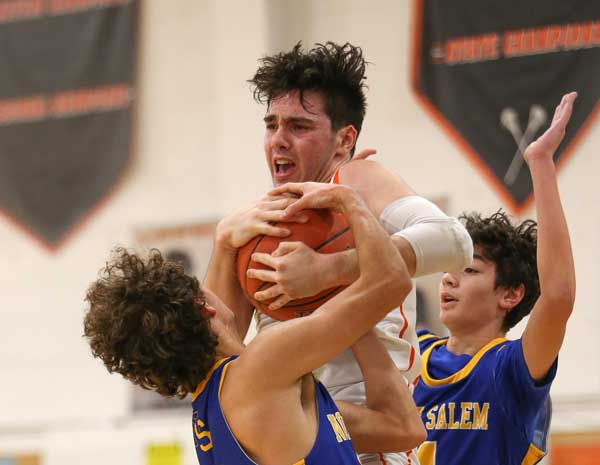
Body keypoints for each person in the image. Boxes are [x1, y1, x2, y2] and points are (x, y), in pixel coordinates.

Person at [205, 41, 472, 464]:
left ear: (344, 138)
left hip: (369, 439)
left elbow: (455, 242)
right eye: (271, 125)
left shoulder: (354, 180)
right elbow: (218, 350)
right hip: (290, 433)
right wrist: (223, 245)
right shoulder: (260, 221)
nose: (278, 140)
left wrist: (329, 270)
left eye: (298, 127)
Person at [83, 182, 425, 465]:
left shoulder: (225, 406)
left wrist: (354, 322)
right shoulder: (263, 367)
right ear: (205, 310)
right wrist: (348, 198)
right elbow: (392, 280)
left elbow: (404, 429)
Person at [412, 92, 577, 465]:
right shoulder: (414, 351)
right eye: (450, 270)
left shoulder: (509, 368)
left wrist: (540, 162)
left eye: (469, 270)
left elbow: (559, 296)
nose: (449, 281)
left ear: (511, 294)